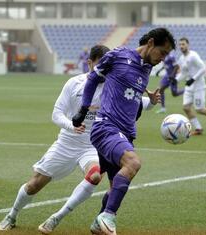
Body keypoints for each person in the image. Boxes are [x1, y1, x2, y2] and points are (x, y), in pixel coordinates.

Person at [0, 45, 160, 233]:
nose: (106, 70)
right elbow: (56, 114)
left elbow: (135, 101)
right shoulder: (74, 83)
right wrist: (71, 126)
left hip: (93, 144)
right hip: (66, 143)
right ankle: (12, 214)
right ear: (90, 63)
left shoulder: (113, 83)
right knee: (34, 184)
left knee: (95, 175)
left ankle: (56, 217)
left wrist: (151, 102)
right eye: (101, 64)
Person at [72, 28, 175, 235]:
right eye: (162, 53)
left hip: (124, 133)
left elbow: (130, 99)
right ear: (151, 43)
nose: (162, 59)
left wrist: (143, 105)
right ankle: (108, 215)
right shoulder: (118, 55)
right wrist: (83, 109)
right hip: (106, 127)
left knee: (114, 188)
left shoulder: (147, 68)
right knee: (133, 163)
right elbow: (93, 78)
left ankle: (98, 225)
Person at [175, 37, 206, 136]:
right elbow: (184, 73)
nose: (181, 46)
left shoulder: (193, 56)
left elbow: (203, 68)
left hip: (199, 86)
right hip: (189, 86)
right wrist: (175, 79)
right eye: (180, 44)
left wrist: (193, 79)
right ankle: (198, 128)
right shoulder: (181, 58)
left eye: (183, 44)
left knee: (200, 109)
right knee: (186, 107)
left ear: (188, 45)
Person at [155, 49, 184, 113]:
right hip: (167, 75)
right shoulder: (164, 56)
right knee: (161, 89)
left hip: (172, 76)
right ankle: (163, 108)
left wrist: (173, 75)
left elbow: (176, 66)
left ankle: (186, 91)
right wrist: (159, 71)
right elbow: (165, 65)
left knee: (174, 93)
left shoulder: (171, 57)